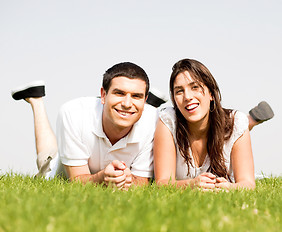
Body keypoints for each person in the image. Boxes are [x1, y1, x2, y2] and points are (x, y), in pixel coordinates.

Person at [11, 62, 158, 190]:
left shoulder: (154, 121)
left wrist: (129, 180)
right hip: (61, 169)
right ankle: (36, 100)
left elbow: (142, 183)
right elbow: (77, 180)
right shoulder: (73, 113)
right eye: (119, 93)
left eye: (136, 96)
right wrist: (102, 178)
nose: (127, 103)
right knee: (48, 157)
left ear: (145, 100)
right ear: (103, 95)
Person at [153, 59, 273, 190]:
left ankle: (250, 121)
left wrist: (229, 188)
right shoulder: (168, 120)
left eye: (195, 87)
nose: (187, 96)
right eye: (179, 91)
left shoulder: (236, 123)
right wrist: (191, 184)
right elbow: (162, 183)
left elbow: (248, 184)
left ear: (211, 93)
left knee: (237, 124)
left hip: (228, 124)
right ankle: (251, 121)